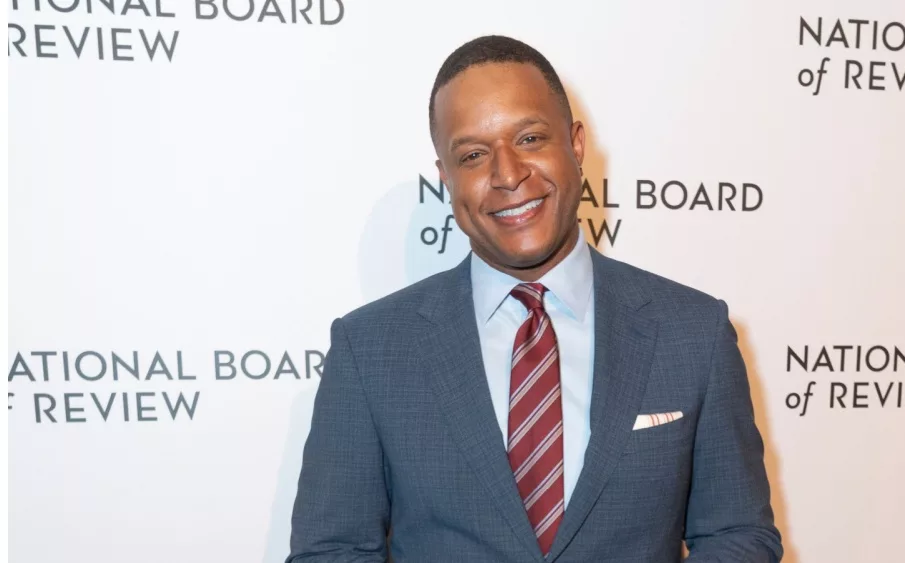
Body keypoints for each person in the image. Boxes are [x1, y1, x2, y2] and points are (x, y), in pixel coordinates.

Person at [287, 35, 783, 562]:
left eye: (529, 138)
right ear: (446, 180)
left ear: (574, 146)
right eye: (473, 154)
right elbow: (331, 550)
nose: (507, 174)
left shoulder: (693, 332)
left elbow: (738, 537)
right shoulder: (371, 349)